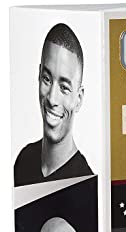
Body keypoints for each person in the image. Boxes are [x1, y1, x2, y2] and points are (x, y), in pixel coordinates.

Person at [14, 23, 93, 186]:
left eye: (64, 87)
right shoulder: (24, 160)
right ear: (38, 76)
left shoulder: (85, 184)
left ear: (79, 99)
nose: (52, 99)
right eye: (47, 79)